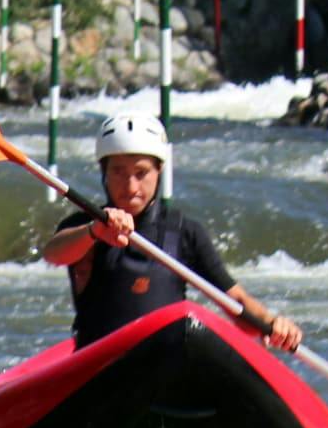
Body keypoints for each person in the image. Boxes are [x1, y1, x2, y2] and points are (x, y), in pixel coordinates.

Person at [42, 113, 303, 354]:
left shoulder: (184, 232)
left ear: (159, 172)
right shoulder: (85, 224)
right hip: (99, 361)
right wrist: (94, 231)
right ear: (104, 173)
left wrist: (272, 323)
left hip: (164, 360)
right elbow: (54, 253)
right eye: (118, 172)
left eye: (141, 173)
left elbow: (235, 300)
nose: (131, 185)